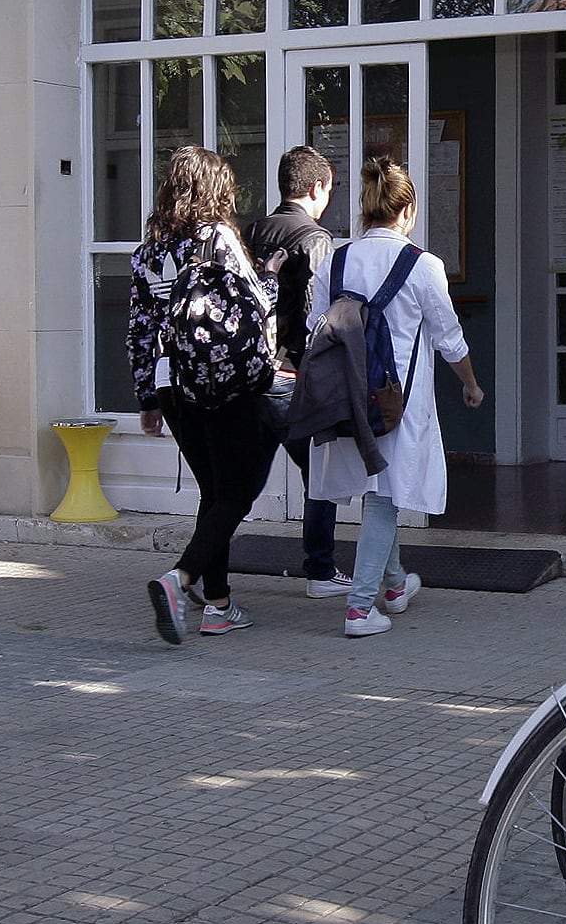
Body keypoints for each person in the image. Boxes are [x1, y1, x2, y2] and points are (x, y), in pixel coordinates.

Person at [308, 156, 484, 638]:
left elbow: (314, 328)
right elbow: (450, 338)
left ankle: (391, 586)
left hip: (345, 399)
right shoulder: (423, 266)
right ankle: (361, 607)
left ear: (366, 209)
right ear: (407, 211)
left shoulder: (335, 261)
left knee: (379, 495)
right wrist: (470, 383)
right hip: (395, 403)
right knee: (385, 499)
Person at [125, 144, 279, 642]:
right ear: (218, 189)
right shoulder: (219, 238)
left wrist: (148, 399)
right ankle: (181, 578)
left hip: (174, 387)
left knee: (214, 491)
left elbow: (140, 330)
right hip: (223, 381)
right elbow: (257, 310)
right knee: (237, 490)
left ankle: (218, 604)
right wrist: (273, 278)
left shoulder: (149, 249)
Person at [244, 145, 348, 595]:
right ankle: (320, 569)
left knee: (242, 480)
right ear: (315, 187)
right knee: (320, 473)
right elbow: (315, 316)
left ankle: (201, 571)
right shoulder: (313, 238)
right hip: (291, 376)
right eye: (329, 188)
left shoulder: (251, 231)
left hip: (248, 374)